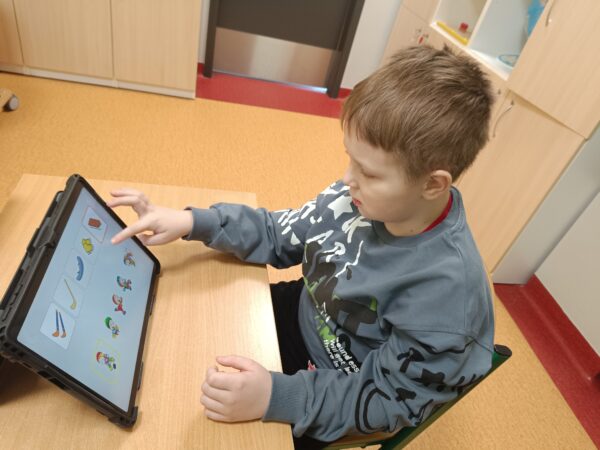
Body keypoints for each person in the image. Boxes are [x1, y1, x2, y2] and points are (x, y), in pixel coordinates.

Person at [109, 45, 495, 449]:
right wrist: (192, 222)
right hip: (308, 310)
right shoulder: (360, 198)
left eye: (368, 172)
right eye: (350, 159)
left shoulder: (447, 296)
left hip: (340, 388)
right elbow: (280, 233)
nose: (346, 180)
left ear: (433, 184)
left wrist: (275, 397)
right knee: (178, 332)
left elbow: (388, 401)